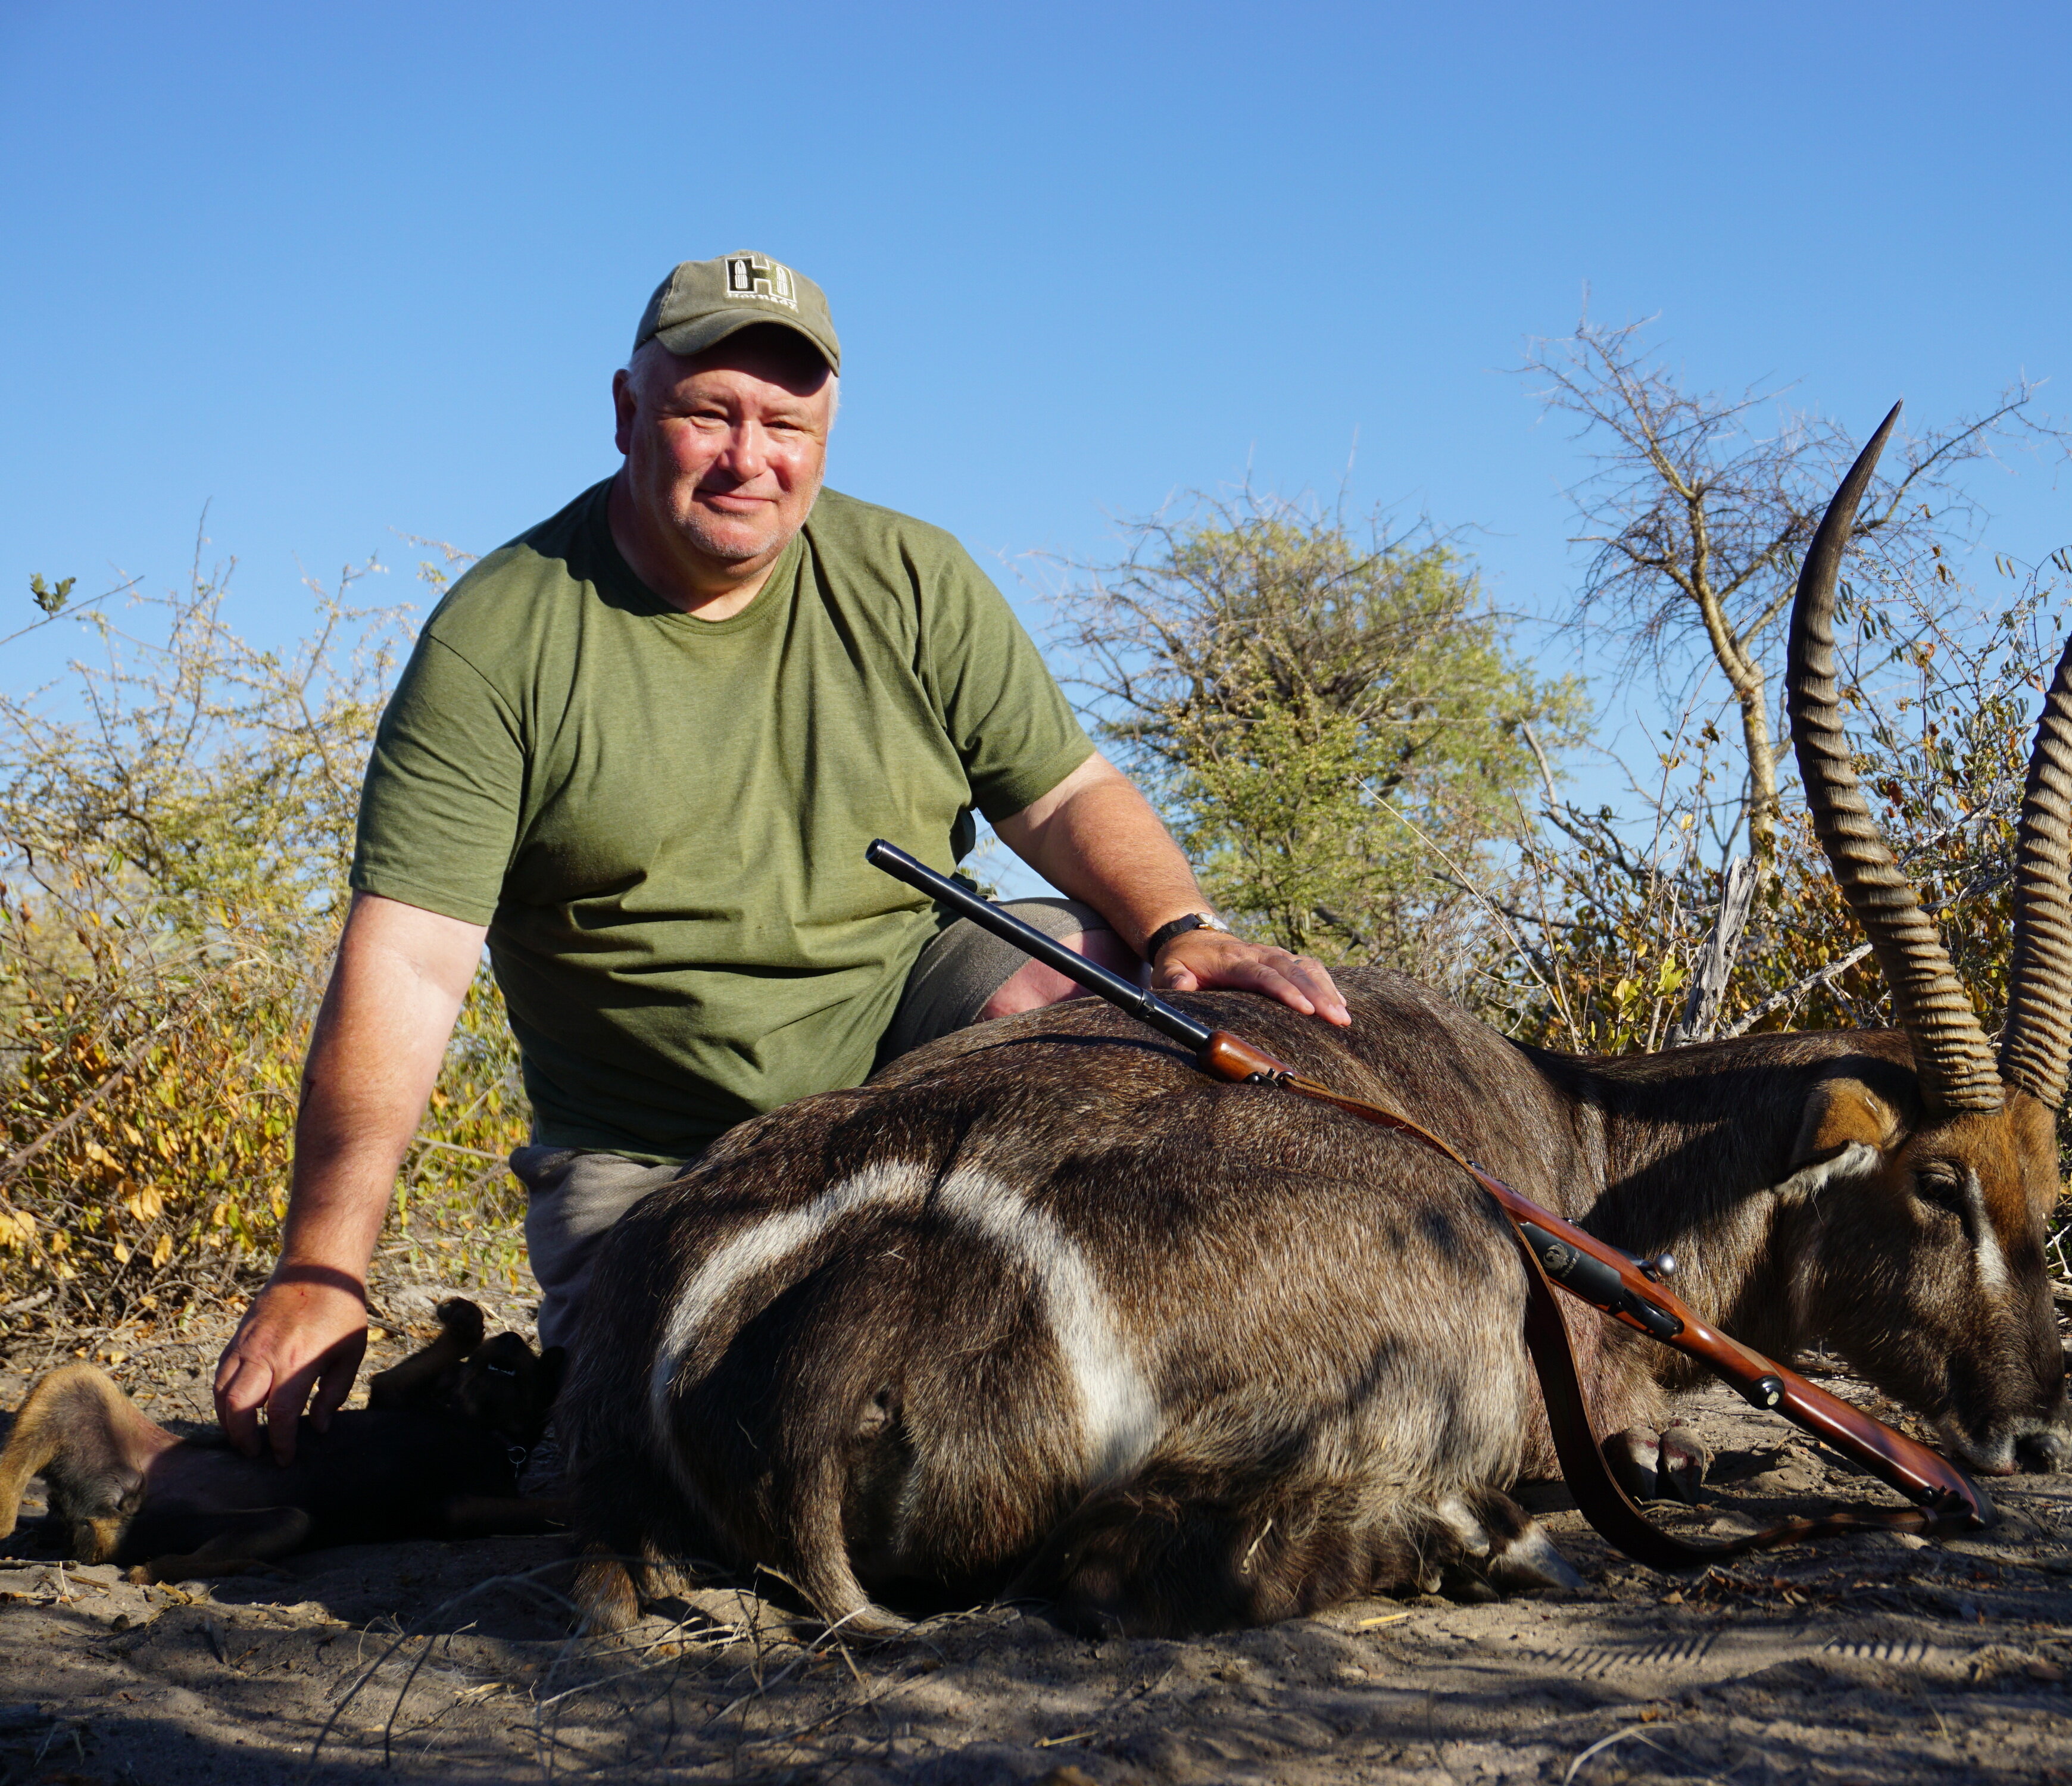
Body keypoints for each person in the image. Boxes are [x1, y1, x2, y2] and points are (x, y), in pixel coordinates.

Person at [213, 252, 1348, 1464]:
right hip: (663, 1150)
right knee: (739, 1431)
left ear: (826, 432)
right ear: (627, 411)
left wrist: (1184, 930)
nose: (748, 456)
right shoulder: (501, 638)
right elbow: (409, 966)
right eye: (709, 412)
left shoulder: (913, 575)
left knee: (1093, 980)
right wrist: (322, 1266)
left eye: (785, 422)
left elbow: (1064, 793)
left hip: (906, 1054)